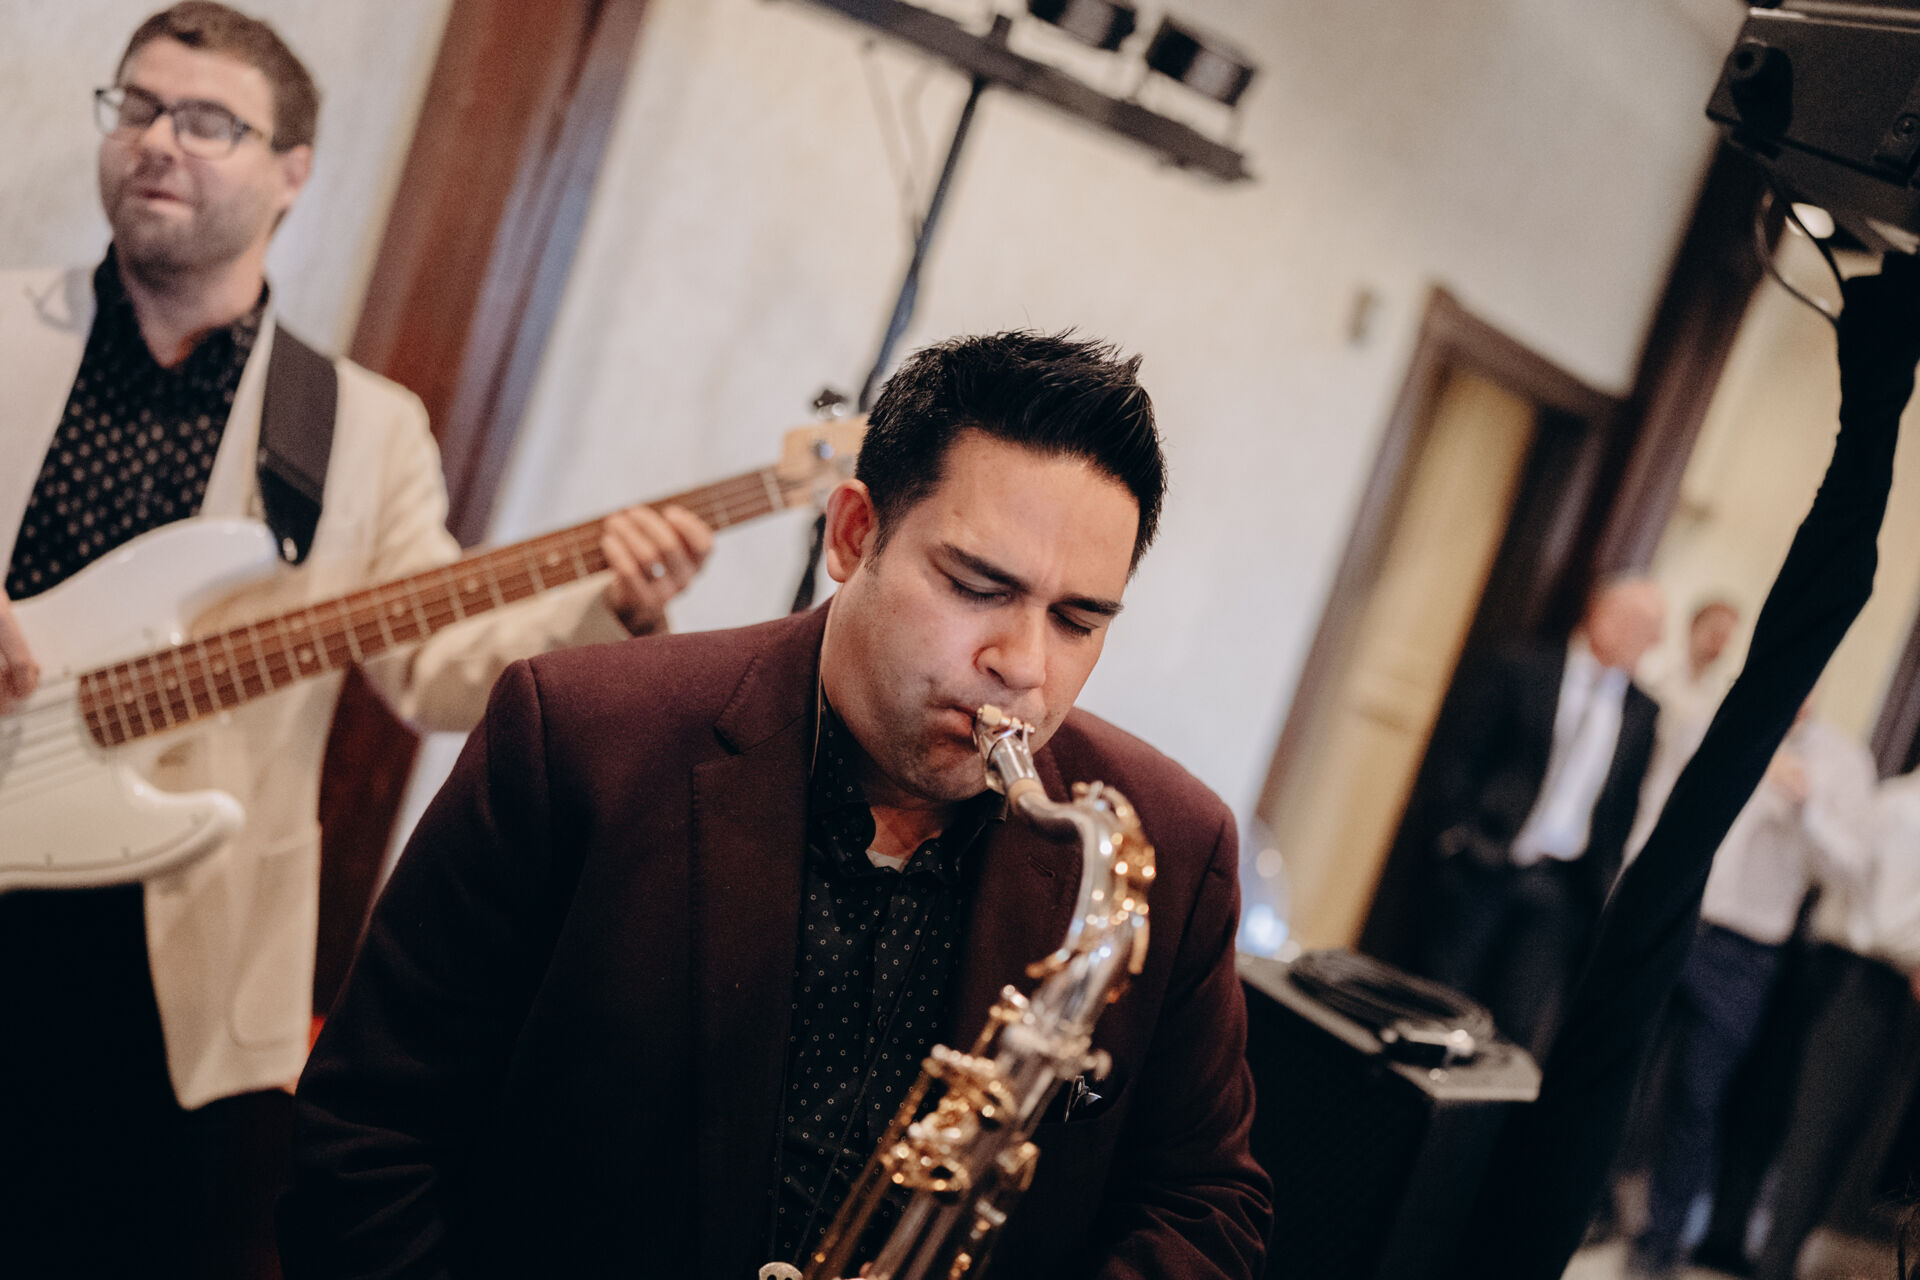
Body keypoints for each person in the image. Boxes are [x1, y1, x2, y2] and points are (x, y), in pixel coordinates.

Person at [280, 331, 1273, 1278]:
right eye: (976, 586)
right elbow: (366, 1136)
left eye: (1077, 620)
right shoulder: (576, 736)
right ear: (853, 533)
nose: (1023, 665)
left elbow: (1205, 1204)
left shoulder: (1172, 847)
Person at [0, 5, 711, 1275]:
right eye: (138, 106)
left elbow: (435, 670)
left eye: (208, 120)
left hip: (177, 969)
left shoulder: (358, 426)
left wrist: (612, 604)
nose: (159, 140)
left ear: (293, 171)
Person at [1624, 698, 1876, 1280]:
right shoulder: (1712, 718)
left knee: (1698, 1100)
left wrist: (1809, 808)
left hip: (1746, 952)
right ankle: (1584, 1205)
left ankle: (1660, 1242)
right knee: (1621, 1072)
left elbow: (1849, 871)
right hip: (1673, 915)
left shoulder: (1842, 764)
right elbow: (1659, 804)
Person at [1418, 576, 1665, 1056]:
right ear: (1603, 615)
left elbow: (1623, 808)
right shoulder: (1524, 668)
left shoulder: (1642, 710)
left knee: (1513, 1029)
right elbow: (1460, 756)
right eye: (1645, 627)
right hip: (1483, 864)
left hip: (1560, 889)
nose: (1653, 643)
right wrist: (1454, 836)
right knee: (1441, 1004)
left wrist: (1602, 887)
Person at [1752, 762, 1920, 1280]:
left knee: (1838, 1139)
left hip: (1884, 987)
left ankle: (1783, 1260)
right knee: (1817, 1135)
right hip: (1861, 979)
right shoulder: (1904, 808)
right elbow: (1884, 918)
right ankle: (1775, 1265)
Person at [1628, 598, 1741, 860]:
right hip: (1637, 786)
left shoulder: (1719, 700)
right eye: (1714, 631)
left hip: (1677, 802)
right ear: (1694, 626)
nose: (1717, 642)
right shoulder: (1654, 674)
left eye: (1725, 636)